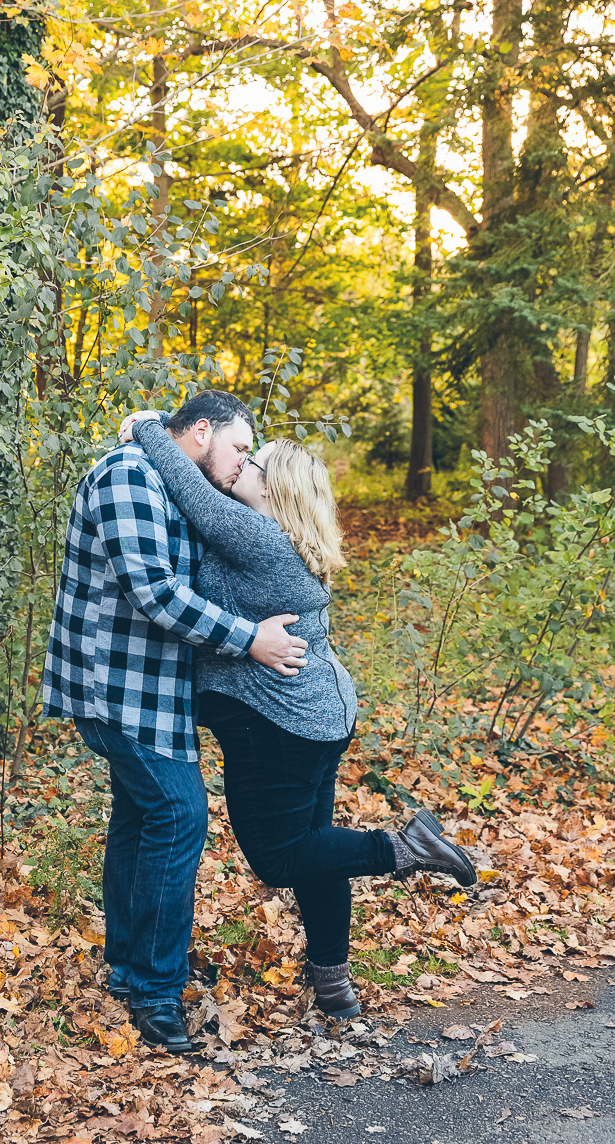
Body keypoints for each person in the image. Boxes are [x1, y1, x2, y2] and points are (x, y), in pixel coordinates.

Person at [120, 409, 478, 1019]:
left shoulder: (257, 536)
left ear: (275, 489)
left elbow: (188, 490)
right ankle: (335, 986)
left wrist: (147, 427)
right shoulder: (282, 540)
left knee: (280, 857)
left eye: (253, 462)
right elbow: (201, 491)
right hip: (317, 715)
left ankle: (405, 848)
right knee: (316, 846)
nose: (242, 463)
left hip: (280, 722)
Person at [43, 390, 309, 1053]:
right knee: (178, 815)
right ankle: (156, 995)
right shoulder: (126, 476)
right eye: (240, 447)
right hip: (115, 688)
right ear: (199, 432)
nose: (243, 460)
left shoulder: (165, 479)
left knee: (141, 818)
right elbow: (156, 593)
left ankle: (132, 969)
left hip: (150, 692)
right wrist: (250, 639)